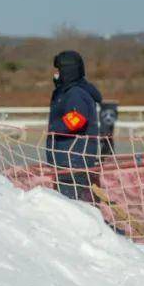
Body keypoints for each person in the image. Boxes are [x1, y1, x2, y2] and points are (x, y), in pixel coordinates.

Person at [45, 50, 104, 201]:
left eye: (58, 70)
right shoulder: (65, 92)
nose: (55, 74)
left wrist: (53, 128)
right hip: (66, 159)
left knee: (71, 205)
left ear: (67, 71)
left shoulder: (75, 93)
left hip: (73, 160)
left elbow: (77, 119)